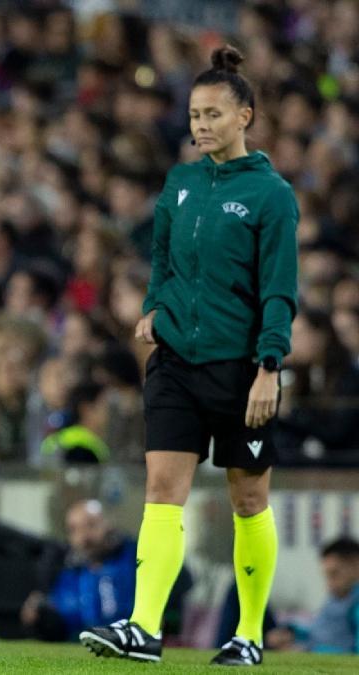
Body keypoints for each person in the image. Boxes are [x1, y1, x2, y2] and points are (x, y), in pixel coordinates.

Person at [80, 46, 299, 667]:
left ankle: (249, 633)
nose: (200, 125)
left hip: (240, 369)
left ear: (245, 117)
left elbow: (279, 289)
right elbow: (162, 260)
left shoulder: (272, 196)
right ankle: (144, 629)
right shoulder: (179, 184)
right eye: (194, 115)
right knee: (161, 489)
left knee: (247, 500)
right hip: (175, 360)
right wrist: (153, 307)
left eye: (212, 114)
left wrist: (269, 366)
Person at [22, 501, 191, 642]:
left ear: (107, 523)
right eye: (74, 530)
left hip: (137, 640)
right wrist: (39, 618)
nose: (84, 537)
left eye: (91, 525)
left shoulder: (136, 554)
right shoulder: (65, 571)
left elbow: (182, 580)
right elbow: (58, 624)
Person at [264, 537, 359, 654]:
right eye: (327, 576)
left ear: (356, 566)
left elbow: (354, 652)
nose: (329, 583)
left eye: (335, 574)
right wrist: (292, 633)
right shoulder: (337, 597)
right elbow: (318, 631)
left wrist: (308, 651)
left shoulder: (354, 604)